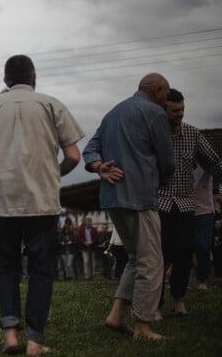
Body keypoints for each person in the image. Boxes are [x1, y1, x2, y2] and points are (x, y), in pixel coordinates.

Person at [0, 54, 84, 355]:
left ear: (6, 80)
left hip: (0, 201)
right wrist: (52, 174)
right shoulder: (51, 104)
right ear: (34, 77)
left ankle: (10, 336)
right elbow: (73, 156)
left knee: (6, 267)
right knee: (42, 270)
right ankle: (34, 341)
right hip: (41, 202)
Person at [83, 72, 175, 340]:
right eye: (166, 95)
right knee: (151, 262)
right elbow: (167, 160)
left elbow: (90, 150)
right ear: (157, 91)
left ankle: (116, 314)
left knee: (135, 259)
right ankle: (143, 326)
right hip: (140, 197)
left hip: (112, 197)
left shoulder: (112, 113)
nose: (166, 101)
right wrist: (158, 180)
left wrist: (99, 167)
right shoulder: (155, 113)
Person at [157, 88, 222, 315]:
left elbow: (214, 163)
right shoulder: (154, 135)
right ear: (163, 109)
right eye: (174, 110)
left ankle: (178, 300)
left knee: (184, 253)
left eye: (182, 109)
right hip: (160, 203)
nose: (180, 114)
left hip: (186, 205)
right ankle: (155, 305)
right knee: (159, 255)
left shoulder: (193, 134)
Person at [193, 164, 215, 290]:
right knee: (185, 246)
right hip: (186, 210)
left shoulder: (207, 168)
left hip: (205, 211)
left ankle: (203, 279)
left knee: (203, 247)